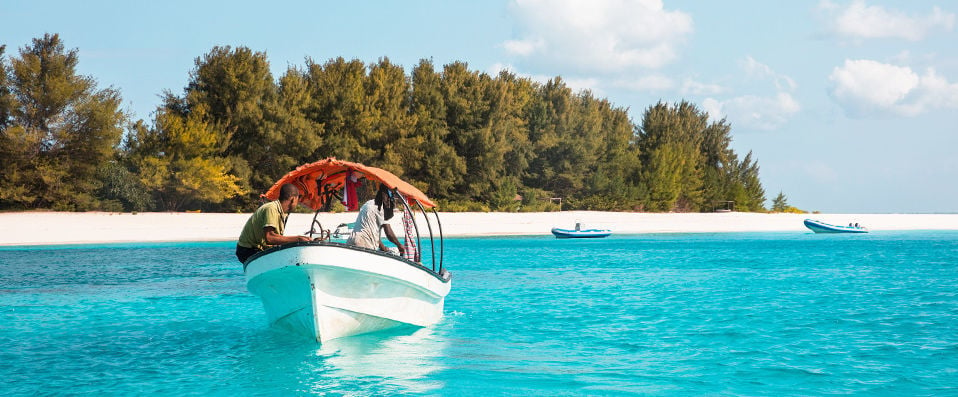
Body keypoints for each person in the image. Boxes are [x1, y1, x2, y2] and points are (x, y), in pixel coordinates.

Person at [236, 183, 310, 263]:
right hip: (247, 250)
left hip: (256, 248)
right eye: (297, 199)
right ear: (293, 199)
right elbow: (270, 238)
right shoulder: (271, 209)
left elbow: (274, 240)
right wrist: (298, 239)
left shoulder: (279, 211)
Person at [347, 184, 405, 256]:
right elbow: (389, 233)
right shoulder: (381, 207)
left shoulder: (368, 203)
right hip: (364, 243)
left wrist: (383, 247)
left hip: (351, 241)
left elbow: (371, 231)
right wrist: (399, 245)